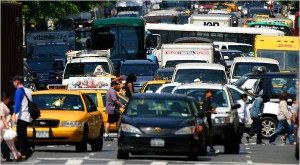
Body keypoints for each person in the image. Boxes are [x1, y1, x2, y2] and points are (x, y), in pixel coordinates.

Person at [11, 75, 32, 159]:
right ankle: (26, 150)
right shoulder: (28, 90)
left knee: (21, 135)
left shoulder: (19, 91)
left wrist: (14, 113)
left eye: (13, 82)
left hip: (21, 116)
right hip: (27, 115)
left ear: (17, 82)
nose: (13, 84)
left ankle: (24, 152)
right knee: (24, 134)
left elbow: (17, 104)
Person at [0, 92, 21, 161]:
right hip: (3, 126)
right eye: (8, 99)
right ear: (5, 99)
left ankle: (16, 155)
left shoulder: (4, 105)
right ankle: (16, 155)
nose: (9, 100)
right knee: (8, 141)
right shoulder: (1, 106)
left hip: (5, 126)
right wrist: (6, 125)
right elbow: (2, 117)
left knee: (10, 141)